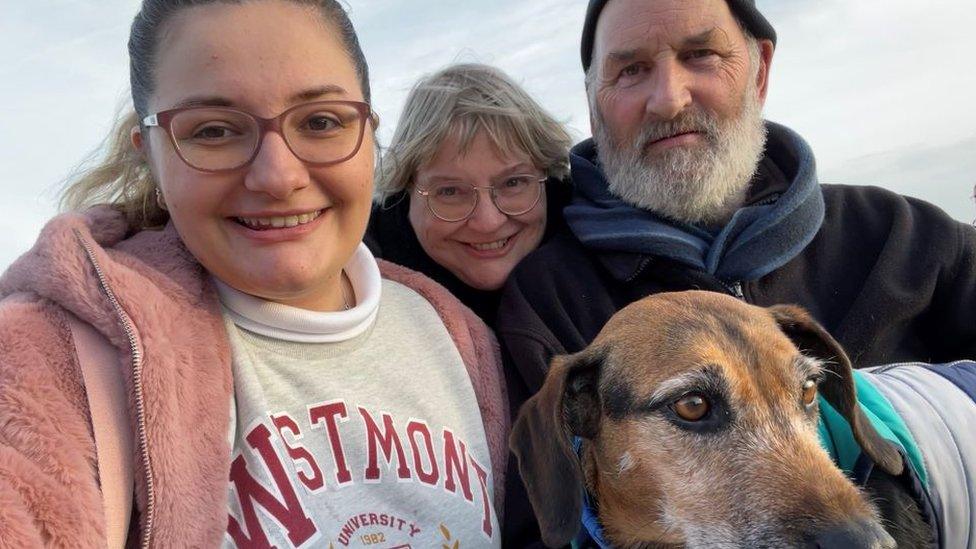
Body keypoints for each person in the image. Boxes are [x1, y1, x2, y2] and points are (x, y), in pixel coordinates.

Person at [0, 1, 508, 547]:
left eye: (320, 122)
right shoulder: (48, 360)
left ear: (367, 133)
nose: (278, 176)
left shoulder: (457, 336)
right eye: (215, 131)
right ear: (149, 152)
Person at [499, 1, 976, 407]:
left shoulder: (906, 237)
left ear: (760, 71)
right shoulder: (548, 300)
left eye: (700, 54)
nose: (668, 99)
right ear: (593, 103)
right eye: (630, 70)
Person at [366, 63, 573, 324]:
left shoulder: (609, 259)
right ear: (406, 190)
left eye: (513, 183)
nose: (488, 222)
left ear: (547, 178)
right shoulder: (356, 296)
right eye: (450, 192)